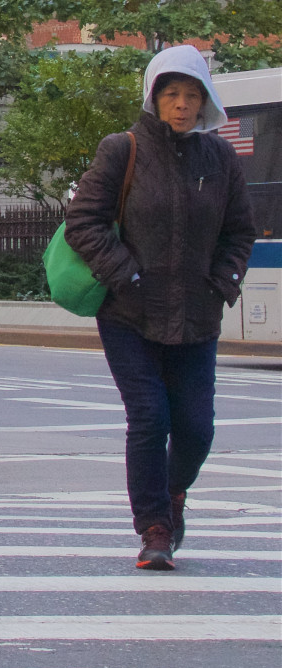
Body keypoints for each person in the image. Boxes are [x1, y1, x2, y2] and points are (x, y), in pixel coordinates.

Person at [65, 44, 255, 571]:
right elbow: (83, 221)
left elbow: (240, 231)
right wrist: (124, 274)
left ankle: (172, 493)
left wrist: (222, 282)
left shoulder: (219, 158)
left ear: (205, 100)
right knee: (149, 416)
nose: (182, 104)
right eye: (172, 93)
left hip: (198, 314)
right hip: (130, 313)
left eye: (192, 94)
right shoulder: (121, 150)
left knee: (196, 427)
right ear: (154, 96)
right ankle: (154, 528)